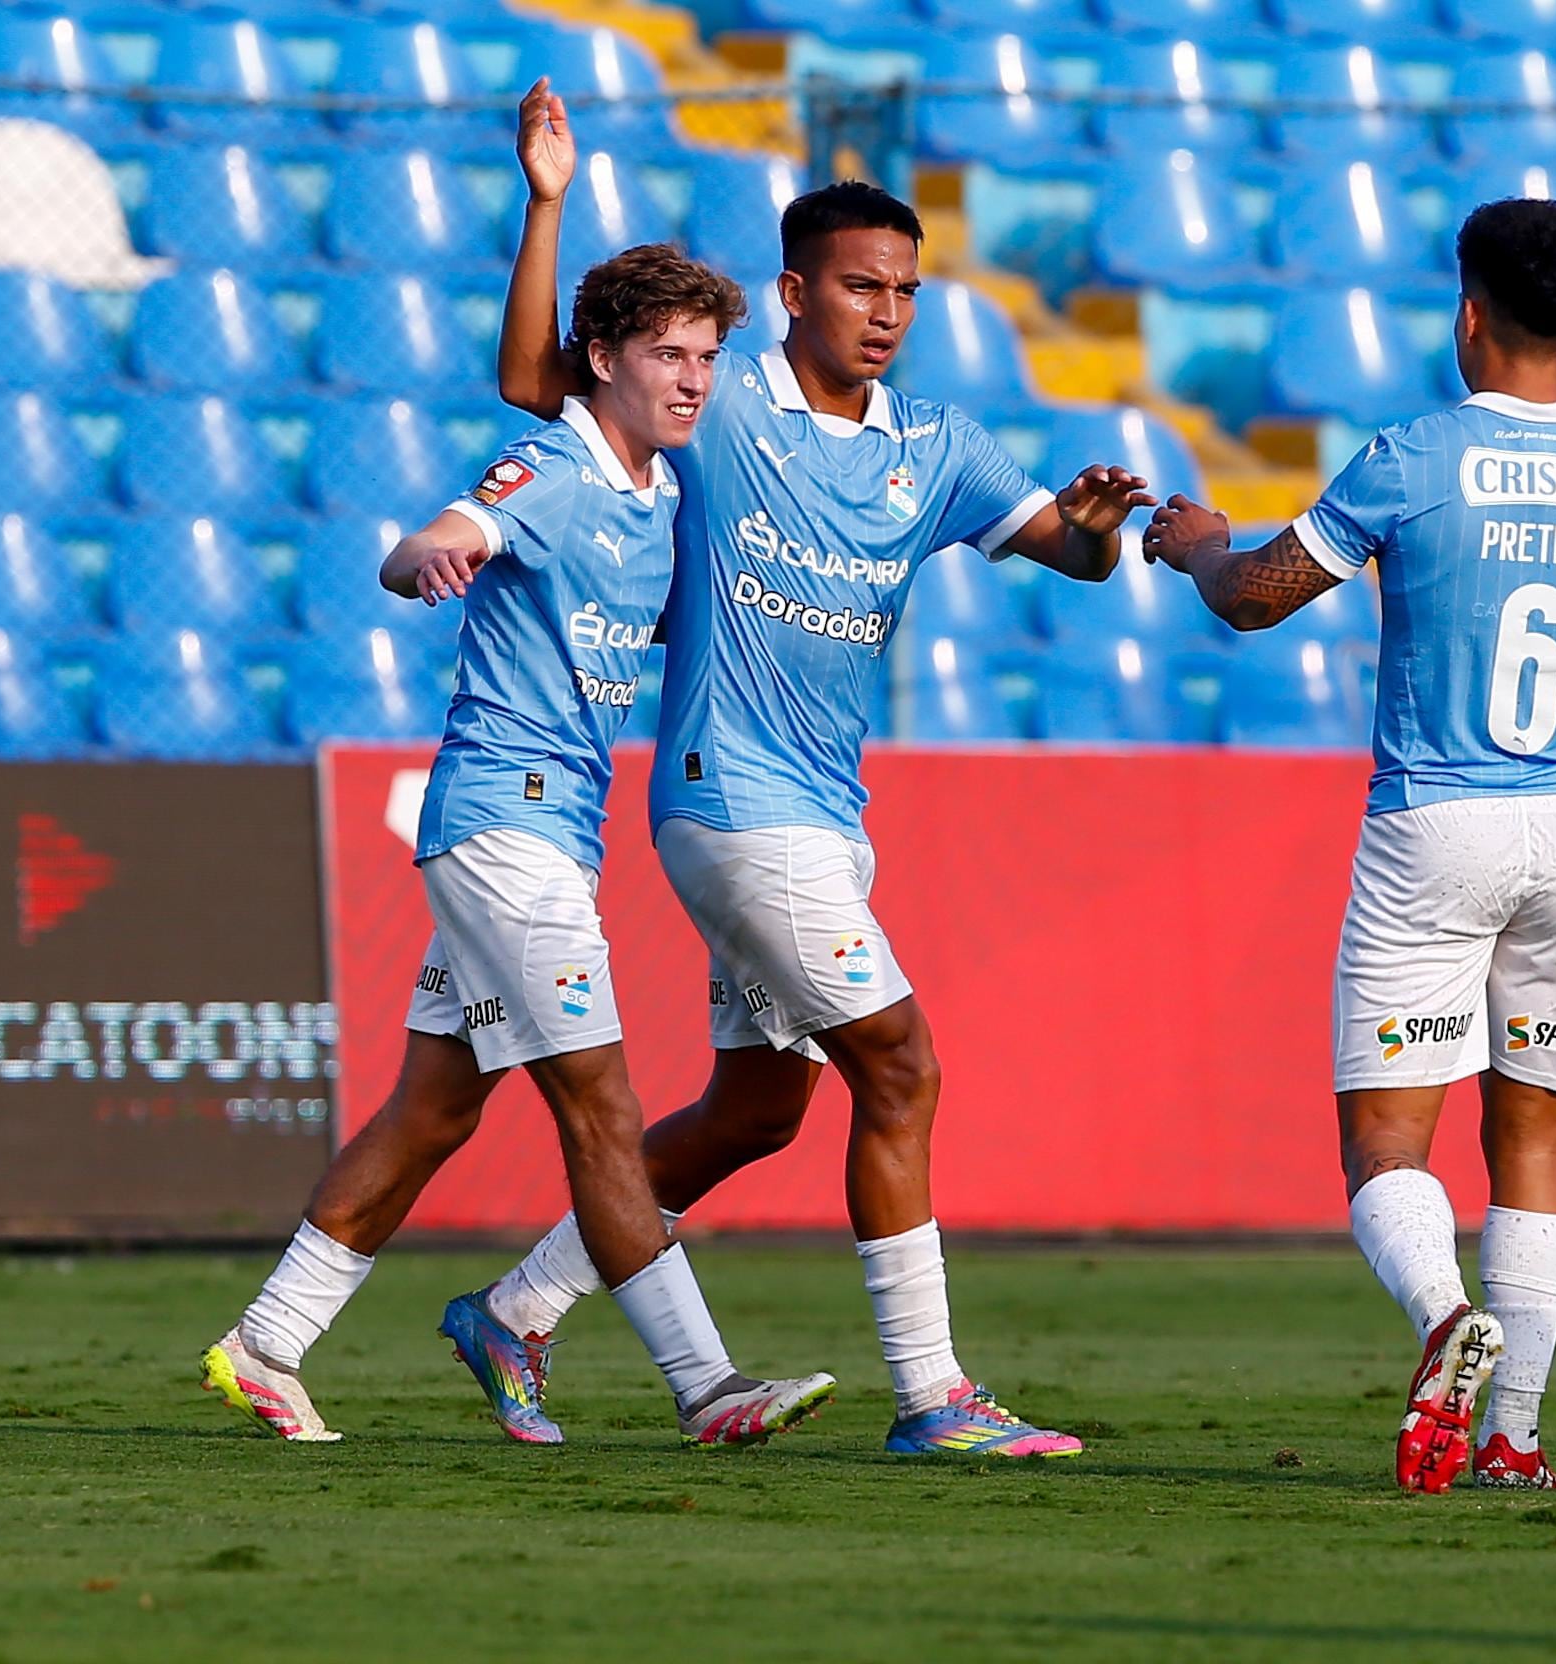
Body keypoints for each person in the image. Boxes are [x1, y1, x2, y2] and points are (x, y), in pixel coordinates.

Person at [470, 80, 1153, 1458]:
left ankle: (514, 1309)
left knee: (757, 1108)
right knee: (900, 1066)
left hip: (828, 816)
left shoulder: (936, 445)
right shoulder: (720, 403)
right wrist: (548, 204)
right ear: (793, 292)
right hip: (730, 801)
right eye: (859, 286)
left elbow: (1074, 557)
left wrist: (1093, 527)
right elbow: (537, 384)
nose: (887, 311)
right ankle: (934, 1396)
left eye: (904, 290)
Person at [1142, 198, 1556, 1494]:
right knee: (1534, 1139)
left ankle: (1443, 1318)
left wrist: (1200, 547)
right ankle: (1515, 1439)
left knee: (1385, 1143)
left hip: (1436, 821)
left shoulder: (1414, 455)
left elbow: (1256, 601)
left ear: (1468, 313)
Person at [200, 244, 835, 1448]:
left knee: (434, 1108)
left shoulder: (664, 491)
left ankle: (266, 1342)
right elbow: (420, 545)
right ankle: (707, 1385)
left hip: (551, 828)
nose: (693, 379)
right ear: (601, 359)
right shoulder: (554, 465)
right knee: (603, 1106)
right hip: (505, 823)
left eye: (707, 357)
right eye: (667, 354)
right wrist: (430, 557)